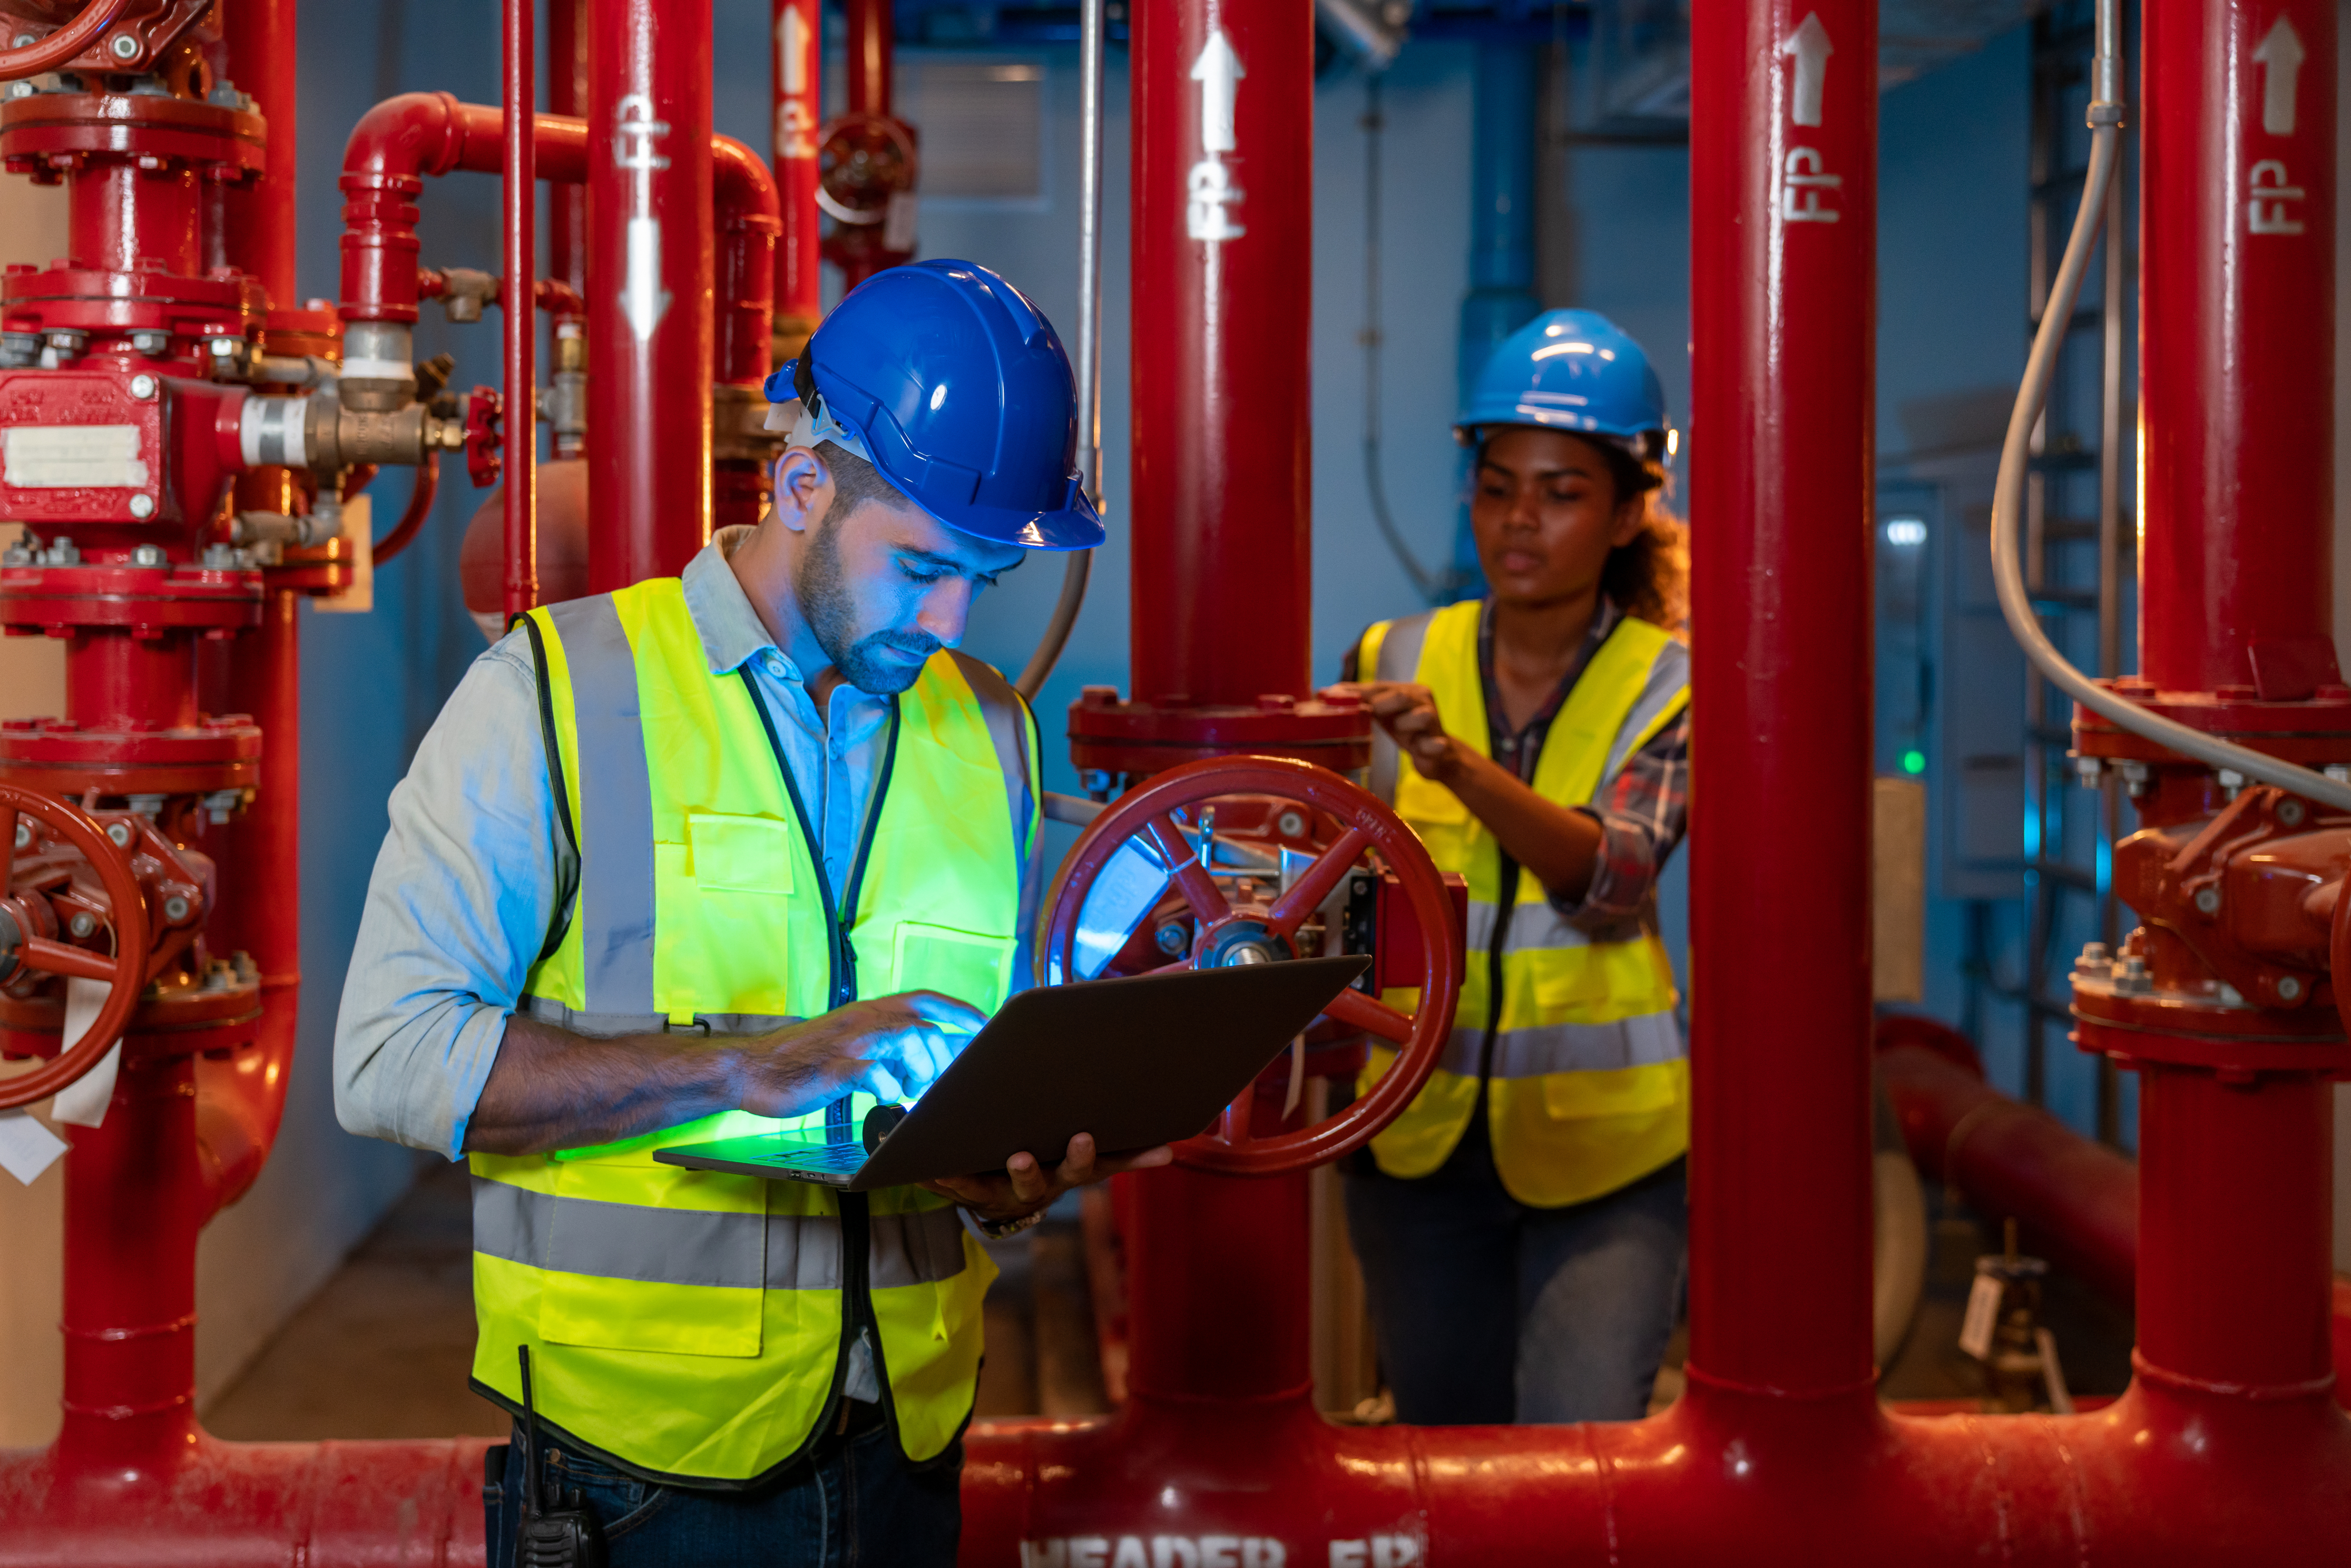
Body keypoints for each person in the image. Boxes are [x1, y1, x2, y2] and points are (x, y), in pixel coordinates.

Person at [333, 259, 1167, 1565]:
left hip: (907, 1446)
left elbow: (964, 1074)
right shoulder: (553, 693)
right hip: (638, 1472)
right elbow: (390, 1059)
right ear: (801, 486)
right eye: (922, 566)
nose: (950, 621)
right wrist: (738, 1067)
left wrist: (1007, 1178)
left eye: (983, 578)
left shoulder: (990, 729)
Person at [1333, 308, 1691, 1426]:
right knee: (1448, 1461)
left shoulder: (1671, 684)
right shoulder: (1391, 658)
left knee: (1583, 1463)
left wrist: (1455, 764)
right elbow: (1326, 879)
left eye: (1560, 491)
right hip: (1413, 1139)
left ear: (1627, 514)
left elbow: (1612, 878)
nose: (1518, 519)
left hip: (1608, 1154)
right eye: (1496, 488)